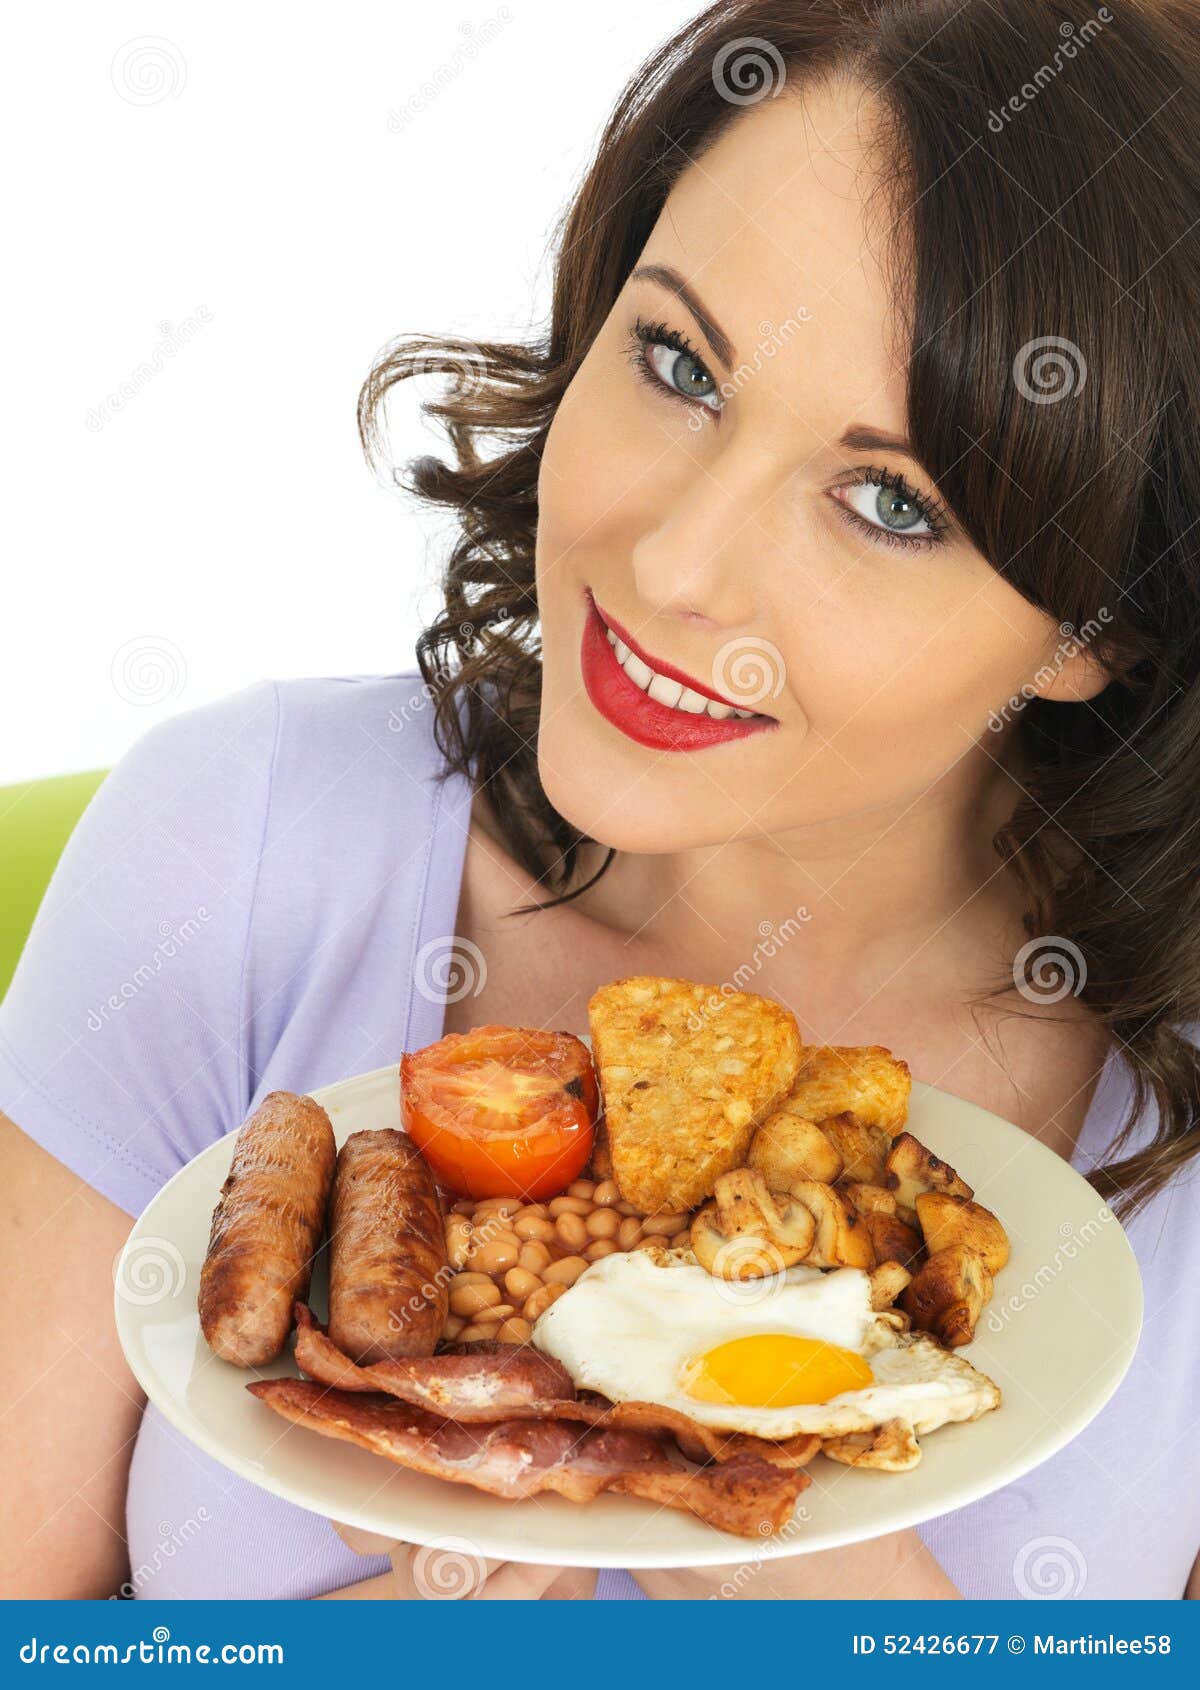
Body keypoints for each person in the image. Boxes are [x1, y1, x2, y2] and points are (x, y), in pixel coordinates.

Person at [4, 0, 1199, 1601]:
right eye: (678, 362)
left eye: (885, 499)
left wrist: (837, 1613)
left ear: (1098, 621)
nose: (673, 566)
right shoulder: (235, 844)